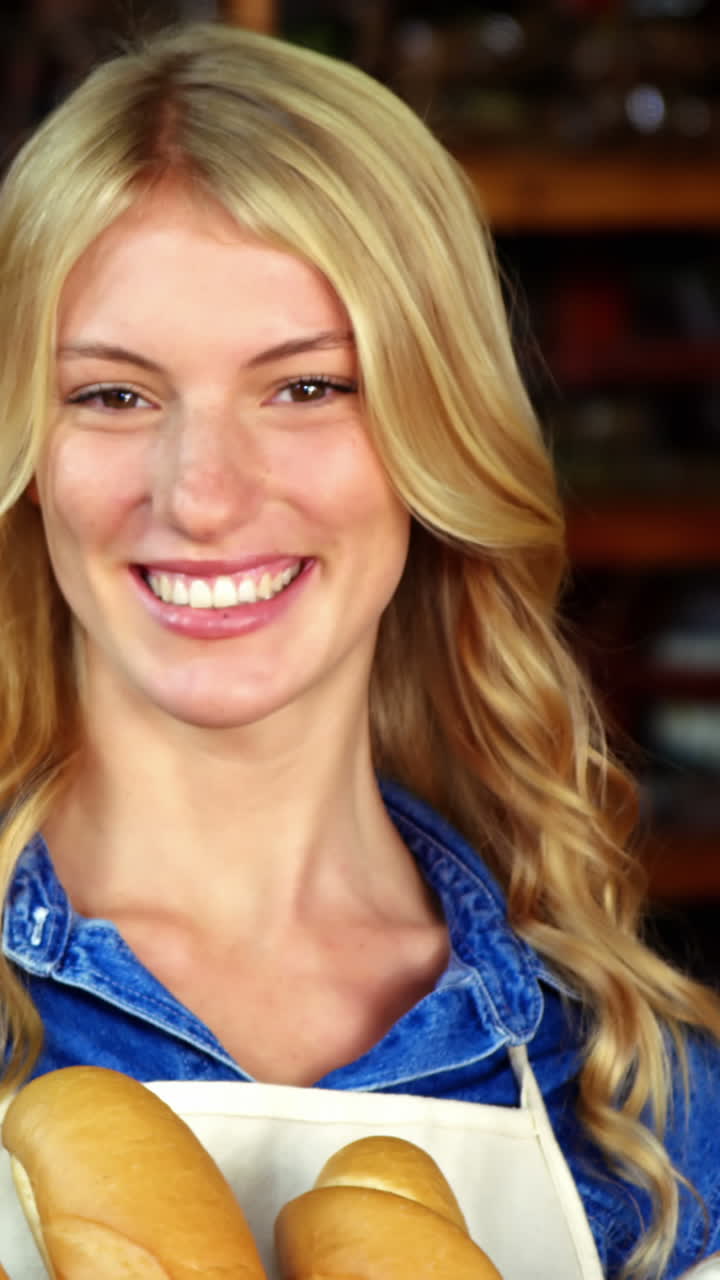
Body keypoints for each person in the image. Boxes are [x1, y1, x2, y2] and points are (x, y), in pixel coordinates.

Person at [0, 20, 718, 1280]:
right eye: (113, 393)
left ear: (437, 441)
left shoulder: (641, 1105)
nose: (204, 493)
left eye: (308, 386)